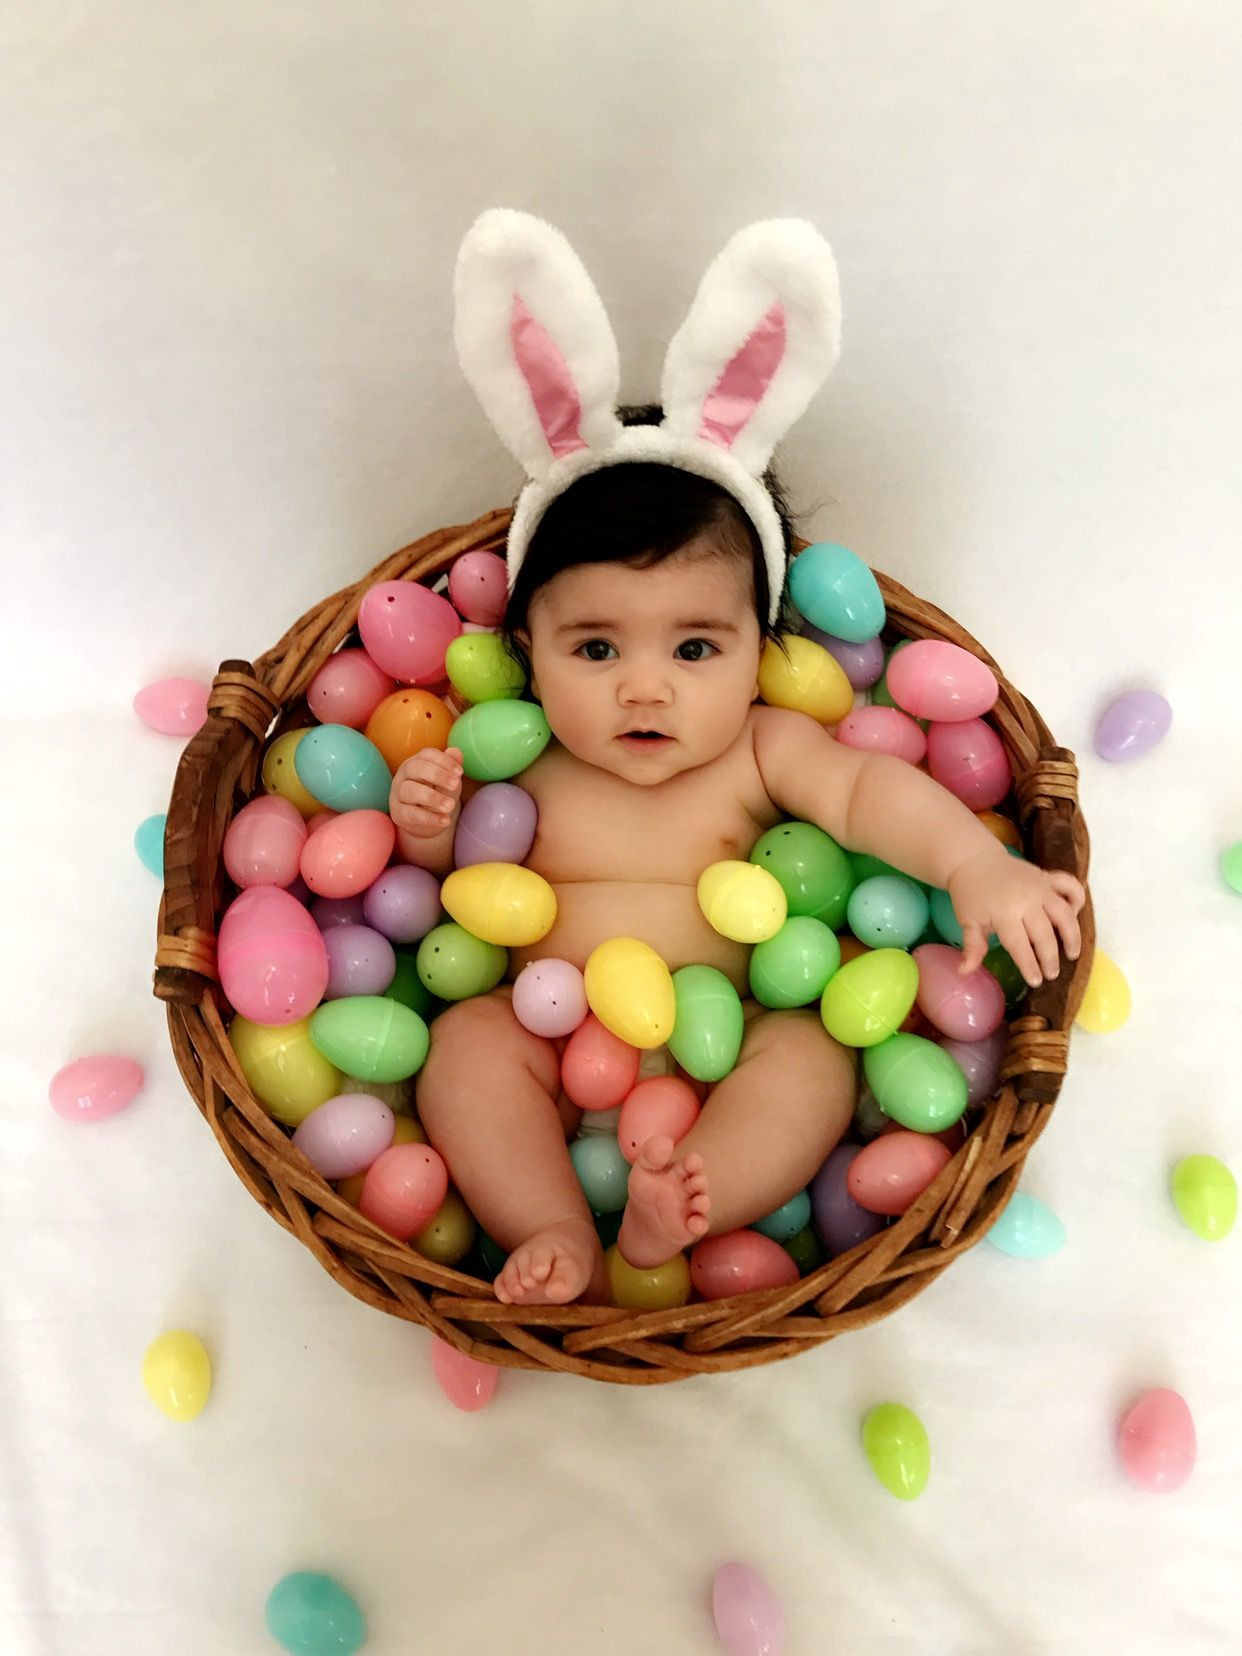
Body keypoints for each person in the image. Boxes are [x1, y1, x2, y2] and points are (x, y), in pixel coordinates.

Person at [391, 210, 1085, 1307]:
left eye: (696, 646)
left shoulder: (761, 747)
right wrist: (426, 822)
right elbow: (441, 907)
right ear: (527, 652)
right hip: (543, 1027)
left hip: (735, 1030)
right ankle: (556, 1228)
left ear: (761, 648)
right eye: (597, 646)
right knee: (465, 1050)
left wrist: (971, 865)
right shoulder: (519, 760)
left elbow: (868, 794)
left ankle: (694, 1197)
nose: (645, 685)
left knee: (812, 1059)